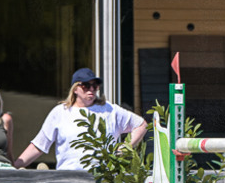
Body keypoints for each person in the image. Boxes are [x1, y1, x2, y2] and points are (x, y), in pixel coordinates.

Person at [13, 68, 147, 171]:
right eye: (86, 86)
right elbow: (39, 145)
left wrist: (126, 148)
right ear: (75, 89)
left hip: (104, 180)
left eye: (95, 86)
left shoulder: (110, 110)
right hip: (67, 179)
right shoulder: (60, 112)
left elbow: (141, 124)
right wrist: (14, 167)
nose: (91, 90)